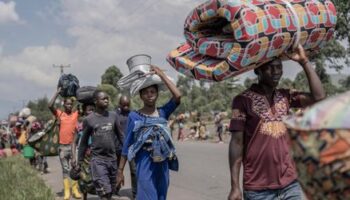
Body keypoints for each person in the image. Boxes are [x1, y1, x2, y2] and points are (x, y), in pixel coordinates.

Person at [228, 44, 326, 200]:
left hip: (290, 184)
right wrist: (235, 187)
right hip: (258, 189)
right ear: (257, 70)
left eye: (279, 67)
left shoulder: (286, 96)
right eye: (270, 68)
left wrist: (304, 61)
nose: (276, 72)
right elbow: (237, 143)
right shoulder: (242, 100)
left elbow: (319, 97)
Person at [116, 65, 181, 200]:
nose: (149, 95)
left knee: (161, 197)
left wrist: (162, 75)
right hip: (144, 162)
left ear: (157, 94)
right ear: (141, 96)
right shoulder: (134, 116)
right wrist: (120, 171)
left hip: (162, 162)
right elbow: (127, 144)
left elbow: (177, 96)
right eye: (146, 92)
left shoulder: (163, 112)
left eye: (152, 91)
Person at [77, 90, 124, 200]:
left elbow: (121, 137)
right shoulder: (89, 120)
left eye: (107, 98)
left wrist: (130, 152)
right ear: (95, 101)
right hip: (98, 161)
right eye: (103, 99)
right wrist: (79, 162)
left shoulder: (113, 116)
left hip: (112, 160)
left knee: (110, 192)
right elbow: (83, 142)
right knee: (104, 193)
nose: (106, 100)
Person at [49, 88, 82, 200]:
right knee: (65, 169)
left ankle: (75, 190)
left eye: (70, 104)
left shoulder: (76, 114)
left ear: (72, 105)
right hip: (62, 147)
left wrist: (77, 95)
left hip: (74, 147)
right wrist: (57, 93)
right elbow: (50, 105)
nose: (69, 106)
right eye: (67, 104)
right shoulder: (60, 114)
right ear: (64, 105)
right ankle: (67, 192)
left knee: (75, 168)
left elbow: (83, 105)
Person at [115, 95, 137, 198]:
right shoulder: (115, 115)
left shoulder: (133, 115)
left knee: (134, 170)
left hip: (131, 148)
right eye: (124, 105)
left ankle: (135, 192)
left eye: (128, 105)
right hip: (119, 147)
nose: (126, 107)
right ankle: (116, 189)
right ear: (120, 104)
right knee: (118, 170)